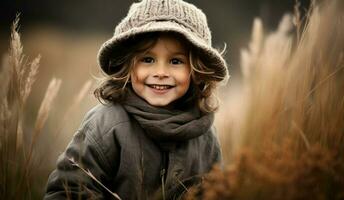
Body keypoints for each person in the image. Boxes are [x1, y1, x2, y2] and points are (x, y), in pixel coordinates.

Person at [44, 0, 229, 199]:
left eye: (176, 61)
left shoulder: (205, 135)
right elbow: (66, 191)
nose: (160, 72)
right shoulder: (107, 124)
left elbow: (216, 193)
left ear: (197, 71)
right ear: (127, 65)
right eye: (147, 59)